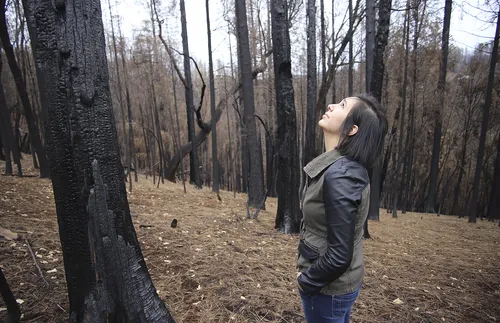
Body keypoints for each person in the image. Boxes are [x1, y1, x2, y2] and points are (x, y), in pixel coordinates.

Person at [297, 95, 388, 323]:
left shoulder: (341, 175)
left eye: (342, 106)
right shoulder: (341, 167)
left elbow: (339, 256)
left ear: (352, 129)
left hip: (328, 290)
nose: (331, 105)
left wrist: (306, 281)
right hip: (338, 284)